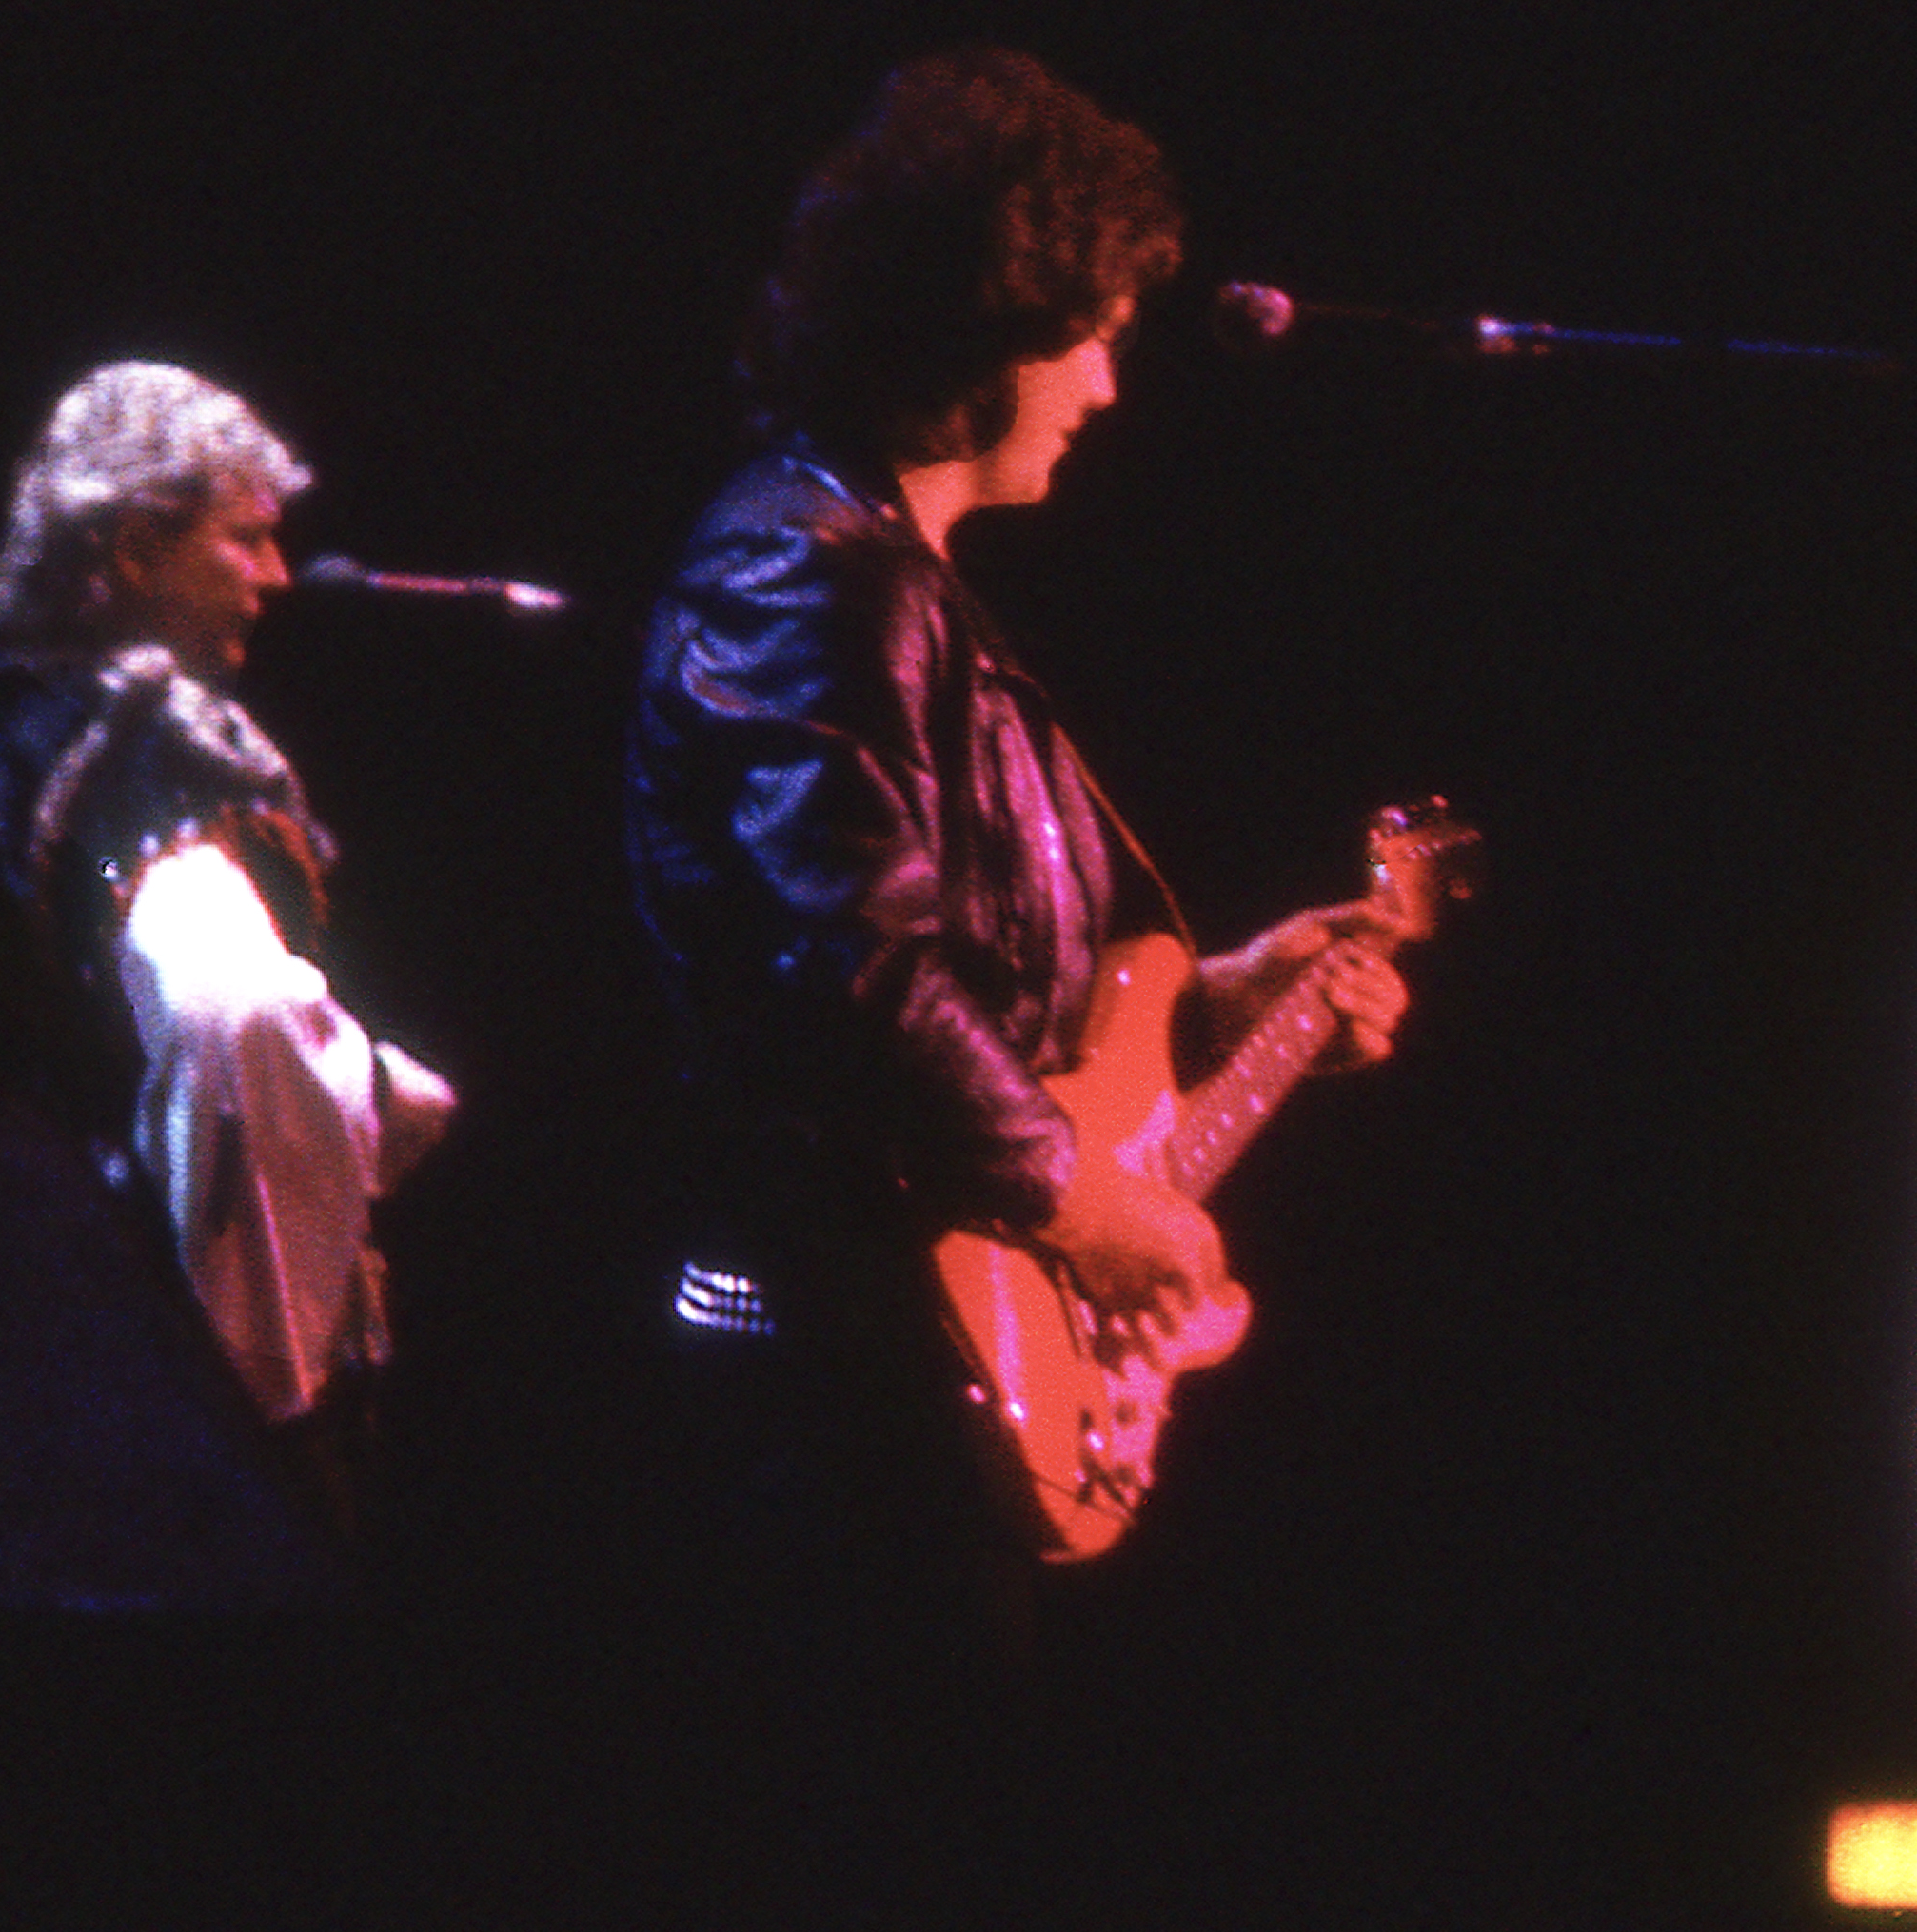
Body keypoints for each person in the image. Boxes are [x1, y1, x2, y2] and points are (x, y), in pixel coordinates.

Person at [619, 47, 1408, 1902]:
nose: (1114, 384)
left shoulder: (904, 583)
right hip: (842, 1366)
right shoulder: (806, 574)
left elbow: (993, 965)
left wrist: (1226, 994)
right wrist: (1073, 1197)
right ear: (995, 322)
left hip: (912, 1361)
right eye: (1095, 335)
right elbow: (855, 962)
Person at [0, 361, 456, 1530]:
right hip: (159, 1399)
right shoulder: (142, 756)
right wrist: (276, 1416)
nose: (276, 575)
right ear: (127, 549)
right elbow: (236, 1017)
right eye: (244, 539)